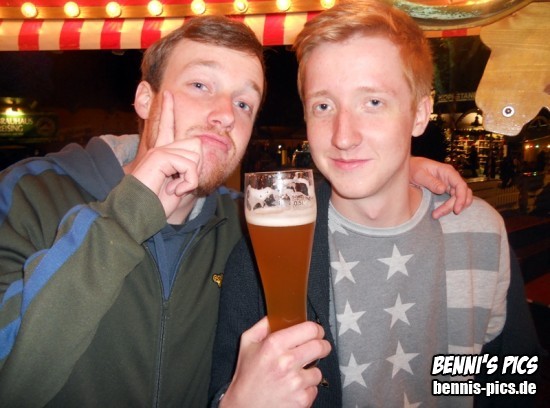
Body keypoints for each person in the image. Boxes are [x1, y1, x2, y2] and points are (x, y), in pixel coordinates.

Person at [0, 14, 472, 408]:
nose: (226, 113)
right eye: (200, 84)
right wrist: (129, 214)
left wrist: (399, 165)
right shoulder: (29, 196)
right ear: (145, 99)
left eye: (244, 102)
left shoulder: (242, 227)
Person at [209, 2, 541, 407]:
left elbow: (510, 382)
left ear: (419, 113)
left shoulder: (477, 231)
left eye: (373, 103)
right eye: (323, 106)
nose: (343, 136)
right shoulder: (265, 255)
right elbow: (226, 390)